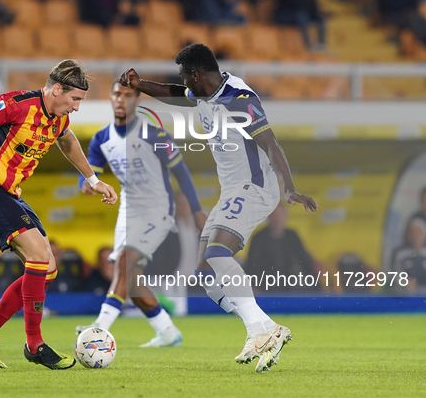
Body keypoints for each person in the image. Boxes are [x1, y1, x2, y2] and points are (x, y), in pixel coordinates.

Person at [119, 43, 318, 372]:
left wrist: (289, 187)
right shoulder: (204, 92)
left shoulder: (238, 98)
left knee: (217, 254)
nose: (184, 83)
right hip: (232, 190)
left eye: (186, 76)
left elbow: (270, 143)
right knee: (206, 272)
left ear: (196, 74)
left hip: (254, 185)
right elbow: (175, 93)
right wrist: (140, 85)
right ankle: (269, 328)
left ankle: (257, 331)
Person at [0, 59, 117, 370]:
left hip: (10, 195)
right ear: (57, 89)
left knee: (48, 269)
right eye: (75, 99)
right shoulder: (17, 104)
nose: (76, 108)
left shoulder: (57, 119)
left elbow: (67, 140)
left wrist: (92, 179)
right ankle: (34, 343)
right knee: (38, 254)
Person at [75, 80, 208, 347]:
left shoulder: (155, 135)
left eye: (127, 95)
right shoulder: (102, 139)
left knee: (124, 263)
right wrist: (86, 186)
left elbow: (180, 172)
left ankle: (99, 329)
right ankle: (168, 331)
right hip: (128, 209)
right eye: (116, 94)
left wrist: (196, 211)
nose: (121, 99)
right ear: (110, 99)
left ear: (137, 101)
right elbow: (90, 174)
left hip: (158, 208)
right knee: (130, 278)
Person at [247, 203, 315, 293]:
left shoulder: (292, 236)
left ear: (286, 217)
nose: (277, 219)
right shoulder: (258, 238)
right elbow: (252, 265)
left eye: (280, 215)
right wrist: (253, 286)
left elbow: (305, 260)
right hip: (264, 288)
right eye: (274, 215)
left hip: (289, 287)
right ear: (268, 217)